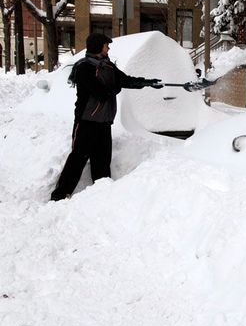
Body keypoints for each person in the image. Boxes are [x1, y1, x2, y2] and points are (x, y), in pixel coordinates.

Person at [50, 33, 162, 201]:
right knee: (77, 160)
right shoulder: (84, 68)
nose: (108, 48)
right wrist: (117, 85)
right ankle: (59, 196)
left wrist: (146, 83)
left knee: (102, 163)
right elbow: (102, 93)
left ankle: (101, 198)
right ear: (97, 47)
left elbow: (124, 80)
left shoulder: (107, 66)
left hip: (104, 123)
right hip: (86, 123)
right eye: (105, 45)